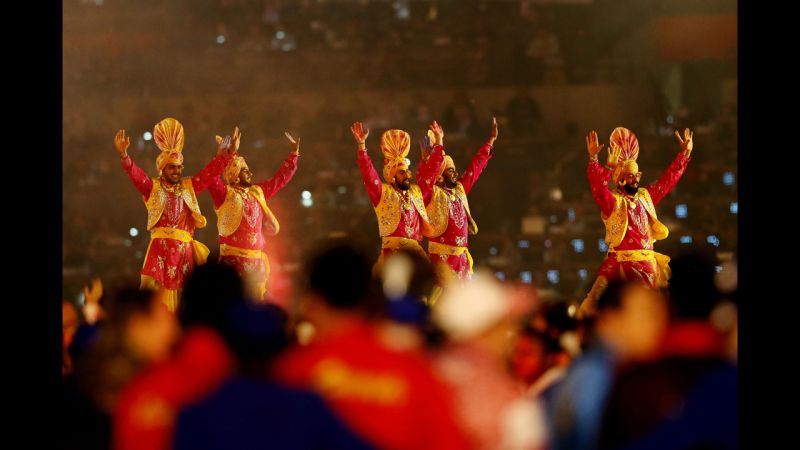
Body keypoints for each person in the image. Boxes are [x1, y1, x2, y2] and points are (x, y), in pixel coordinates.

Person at [114, 118, 237, 311]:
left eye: (179, 167)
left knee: (184, 300)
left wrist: (227, 155)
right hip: (160, 251)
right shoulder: (152, 188)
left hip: (183, 253)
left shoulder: (189, 186)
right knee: (153, 301)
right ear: (162, 169)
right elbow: (136, 175)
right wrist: (124, 155)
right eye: (172, 167)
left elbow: (209, 173)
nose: (177, 171)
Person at [581, 127, 694, 315]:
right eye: (630, 176)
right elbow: (599, 191)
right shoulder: (613, 202)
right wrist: (598, 162)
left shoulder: (645, 197)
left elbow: (667, 181)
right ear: (620, 180)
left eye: (636, 176)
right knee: (593, 308)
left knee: (653, 311)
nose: (635, 180)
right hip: (619, 264)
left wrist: (684, 154)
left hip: (647, 265)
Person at [208, 130, 300, 300]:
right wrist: (222, 156)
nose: (250, 173)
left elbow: (279, 180)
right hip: (231, 263)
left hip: (255, 263)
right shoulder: (224, 195)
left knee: (254, 306)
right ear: (234, 177)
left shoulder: (257, 192)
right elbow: (212, 179)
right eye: (245, 171)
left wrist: (293, 155)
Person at [417, 119, 497, 297]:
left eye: (454, 169)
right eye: (449, 170)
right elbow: (425, 179)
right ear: (439, 175)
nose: (454, 172)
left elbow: (474, 169)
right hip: (441, 262)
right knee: (441, 305)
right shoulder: (431, 193)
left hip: (462, 260)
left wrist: (489, 143)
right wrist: (438, 145)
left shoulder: (460, 190)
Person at [351, 121, 433, 273]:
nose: (408, 175)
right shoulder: (383, 193)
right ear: (392, 176)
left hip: (415, 254)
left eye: (408, 172)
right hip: (392, 254)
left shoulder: (416, 192)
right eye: (402, 172)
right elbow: (368, 174)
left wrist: (429, 157)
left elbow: (429, 176)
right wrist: (362, 145)